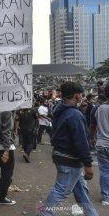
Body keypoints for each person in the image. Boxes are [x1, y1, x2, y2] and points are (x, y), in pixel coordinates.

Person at [39, 82, 98, 216]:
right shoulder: (75, 115)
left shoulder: (60, 111)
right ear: (77, 96)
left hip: (62, 156)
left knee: (81, 192)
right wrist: (88, 164)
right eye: (81, 95)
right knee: (60, 191)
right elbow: (81, 141)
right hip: (70, 160)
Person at [90, 83, 109, 206]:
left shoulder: (99, 108)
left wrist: (91, 138)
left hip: (102, 144)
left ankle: (106, 197)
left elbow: (93, 125)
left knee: (105, 171)